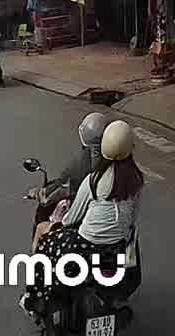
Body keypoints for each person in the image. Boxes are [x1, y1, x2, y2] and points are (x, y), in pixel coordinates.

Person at [22, 121, 143, 316]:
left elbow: (71, 219)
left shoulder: (94, 180)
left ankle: (33, 298)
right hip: (116, 247)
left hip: (84, 246)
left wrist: (56, 225)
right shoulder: (136, 180)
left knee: (43, 238)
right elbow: (133, 218)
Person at [31, 113, 110, 248]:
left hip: (86, 231)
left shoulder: (80, 167)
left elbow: (58, 194)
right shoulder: (124, 169)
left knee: (41, 228)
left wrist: (40, 193)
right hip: (117, 231)